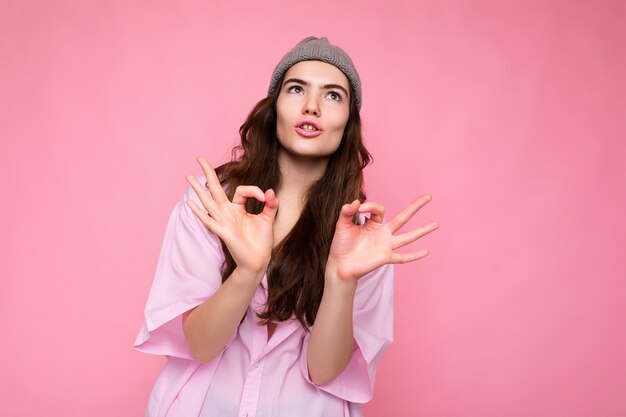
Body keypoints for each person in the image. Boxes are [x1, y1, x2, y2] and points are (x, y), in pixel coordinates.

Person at [134, 36, 439, 417]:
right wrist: (247, 270)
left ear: (348, 123)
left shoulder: (364, 239)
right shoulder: (214, 204)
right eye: (296, 89)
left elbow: (325, 371)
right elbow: (201, 345)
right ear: (274, 105)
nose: (311, 106)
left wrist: (341, 278)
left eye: (332, 96)